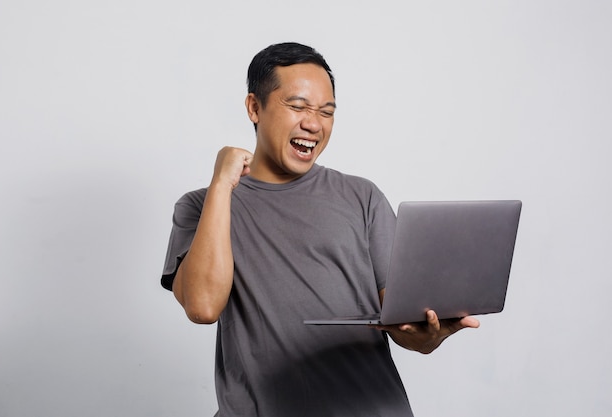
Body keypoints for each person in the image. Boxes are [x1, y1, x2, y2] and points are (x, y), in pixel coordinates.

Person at [161, 42, 480, 417]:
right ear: (254, 107)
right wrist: (221, 185)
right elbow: (202, 306)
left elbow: (403, 324)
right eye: (297, 106)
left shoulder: (362, 197)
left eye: (326, 112)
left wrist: (428, 335)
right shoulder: (201, 205)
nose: (313, 123)